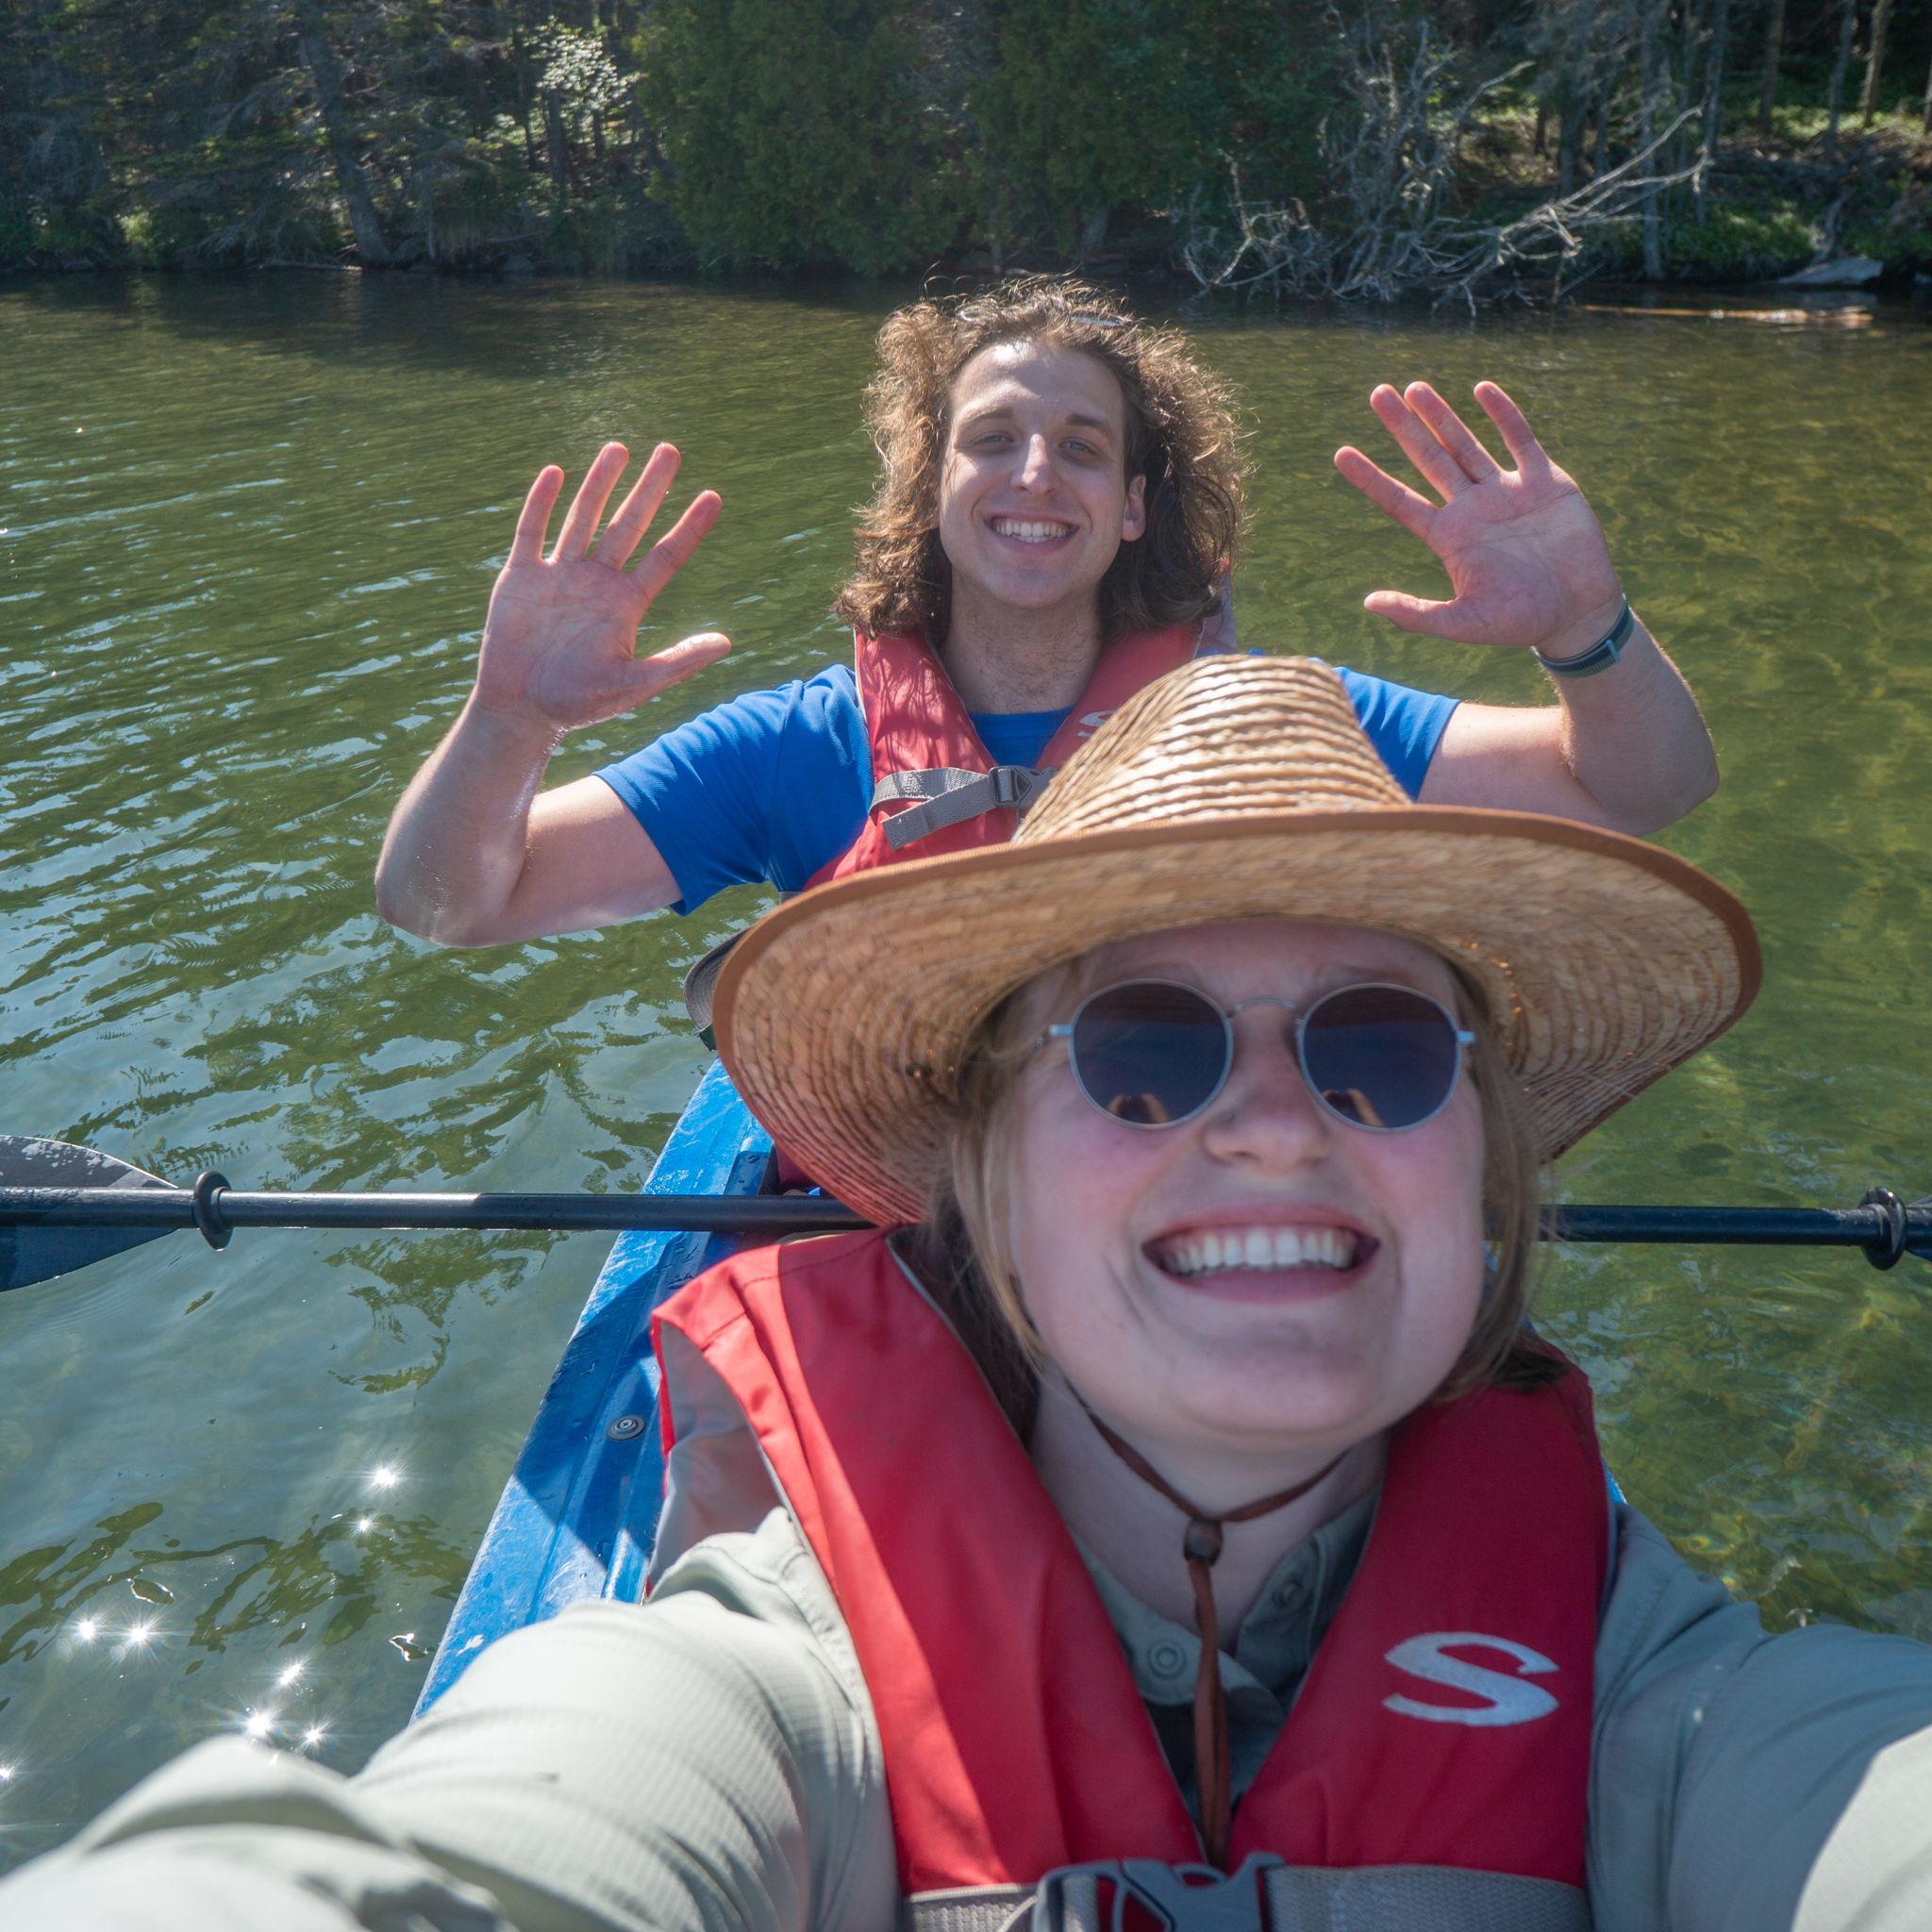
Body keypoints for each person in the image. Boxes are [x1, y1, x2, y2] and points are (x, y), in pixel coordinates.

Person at [8, 656, 1929, 1932]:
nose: (1270, 1125)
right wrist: (514, 706)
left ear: (1485, 1162)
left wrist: (1584, 631)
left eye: (1382, 1045)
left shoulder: (1675, 1699)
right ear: (976, 1168)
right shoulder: (773, 1690)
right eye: (1143, 1048)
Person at [372, 278, 1718, 964]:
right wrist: (510, 718)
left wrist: (1586, 625)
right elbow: (445, 908)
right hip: (899, 1224)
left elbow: (1642, 792)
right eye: (992, 439)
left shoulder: (1268, 727)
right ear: (934, 487)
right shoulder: (792, 750)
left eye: (1081, 449)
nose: (1032, 476)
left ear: (1134, 510)